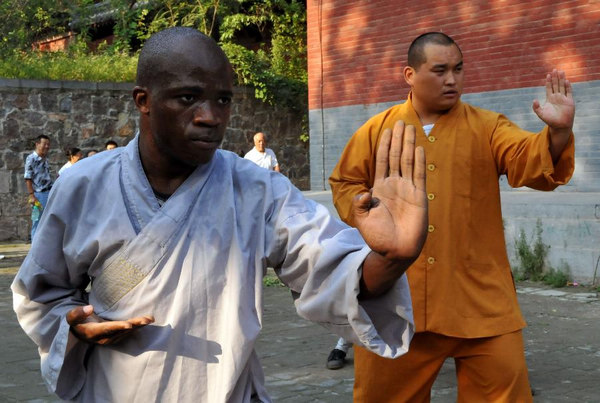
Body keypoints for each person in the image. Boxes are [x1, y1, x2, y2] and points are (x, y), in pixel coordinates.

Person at [12, 27, 429, 402]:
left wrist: (392, 257)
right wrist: (73, 324)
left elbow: (330, 266)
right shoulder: (84, 185)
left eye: (223, 100)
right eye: (188, 97)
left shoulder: (257, 191)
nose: (210, 117)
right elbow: (42, 293)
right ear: (144, 101)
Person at [329, 32, 575, 402]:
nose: (452, 80)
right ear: (409, 74)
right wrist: (367, 211)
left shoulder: (488, 126)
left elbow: (529, 160)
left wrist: (557, 133)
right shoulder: (379, 130)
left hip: (481, 301)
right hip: (398, 301)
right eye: (440, 70)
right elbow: (344, 184)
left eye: (459, 69)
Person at [24, 134, 53, 240]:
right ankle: (34, 249)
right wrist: (32, 195)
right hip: (38, 195)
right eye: (44, 144)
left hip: (49, 192)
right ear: (37, 144)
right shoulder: (31, 159)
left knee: (48, 221)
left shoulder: (45, 158)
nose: (47, 146)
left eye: (48, 144)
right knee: (37, 221)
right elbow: (28, 178)